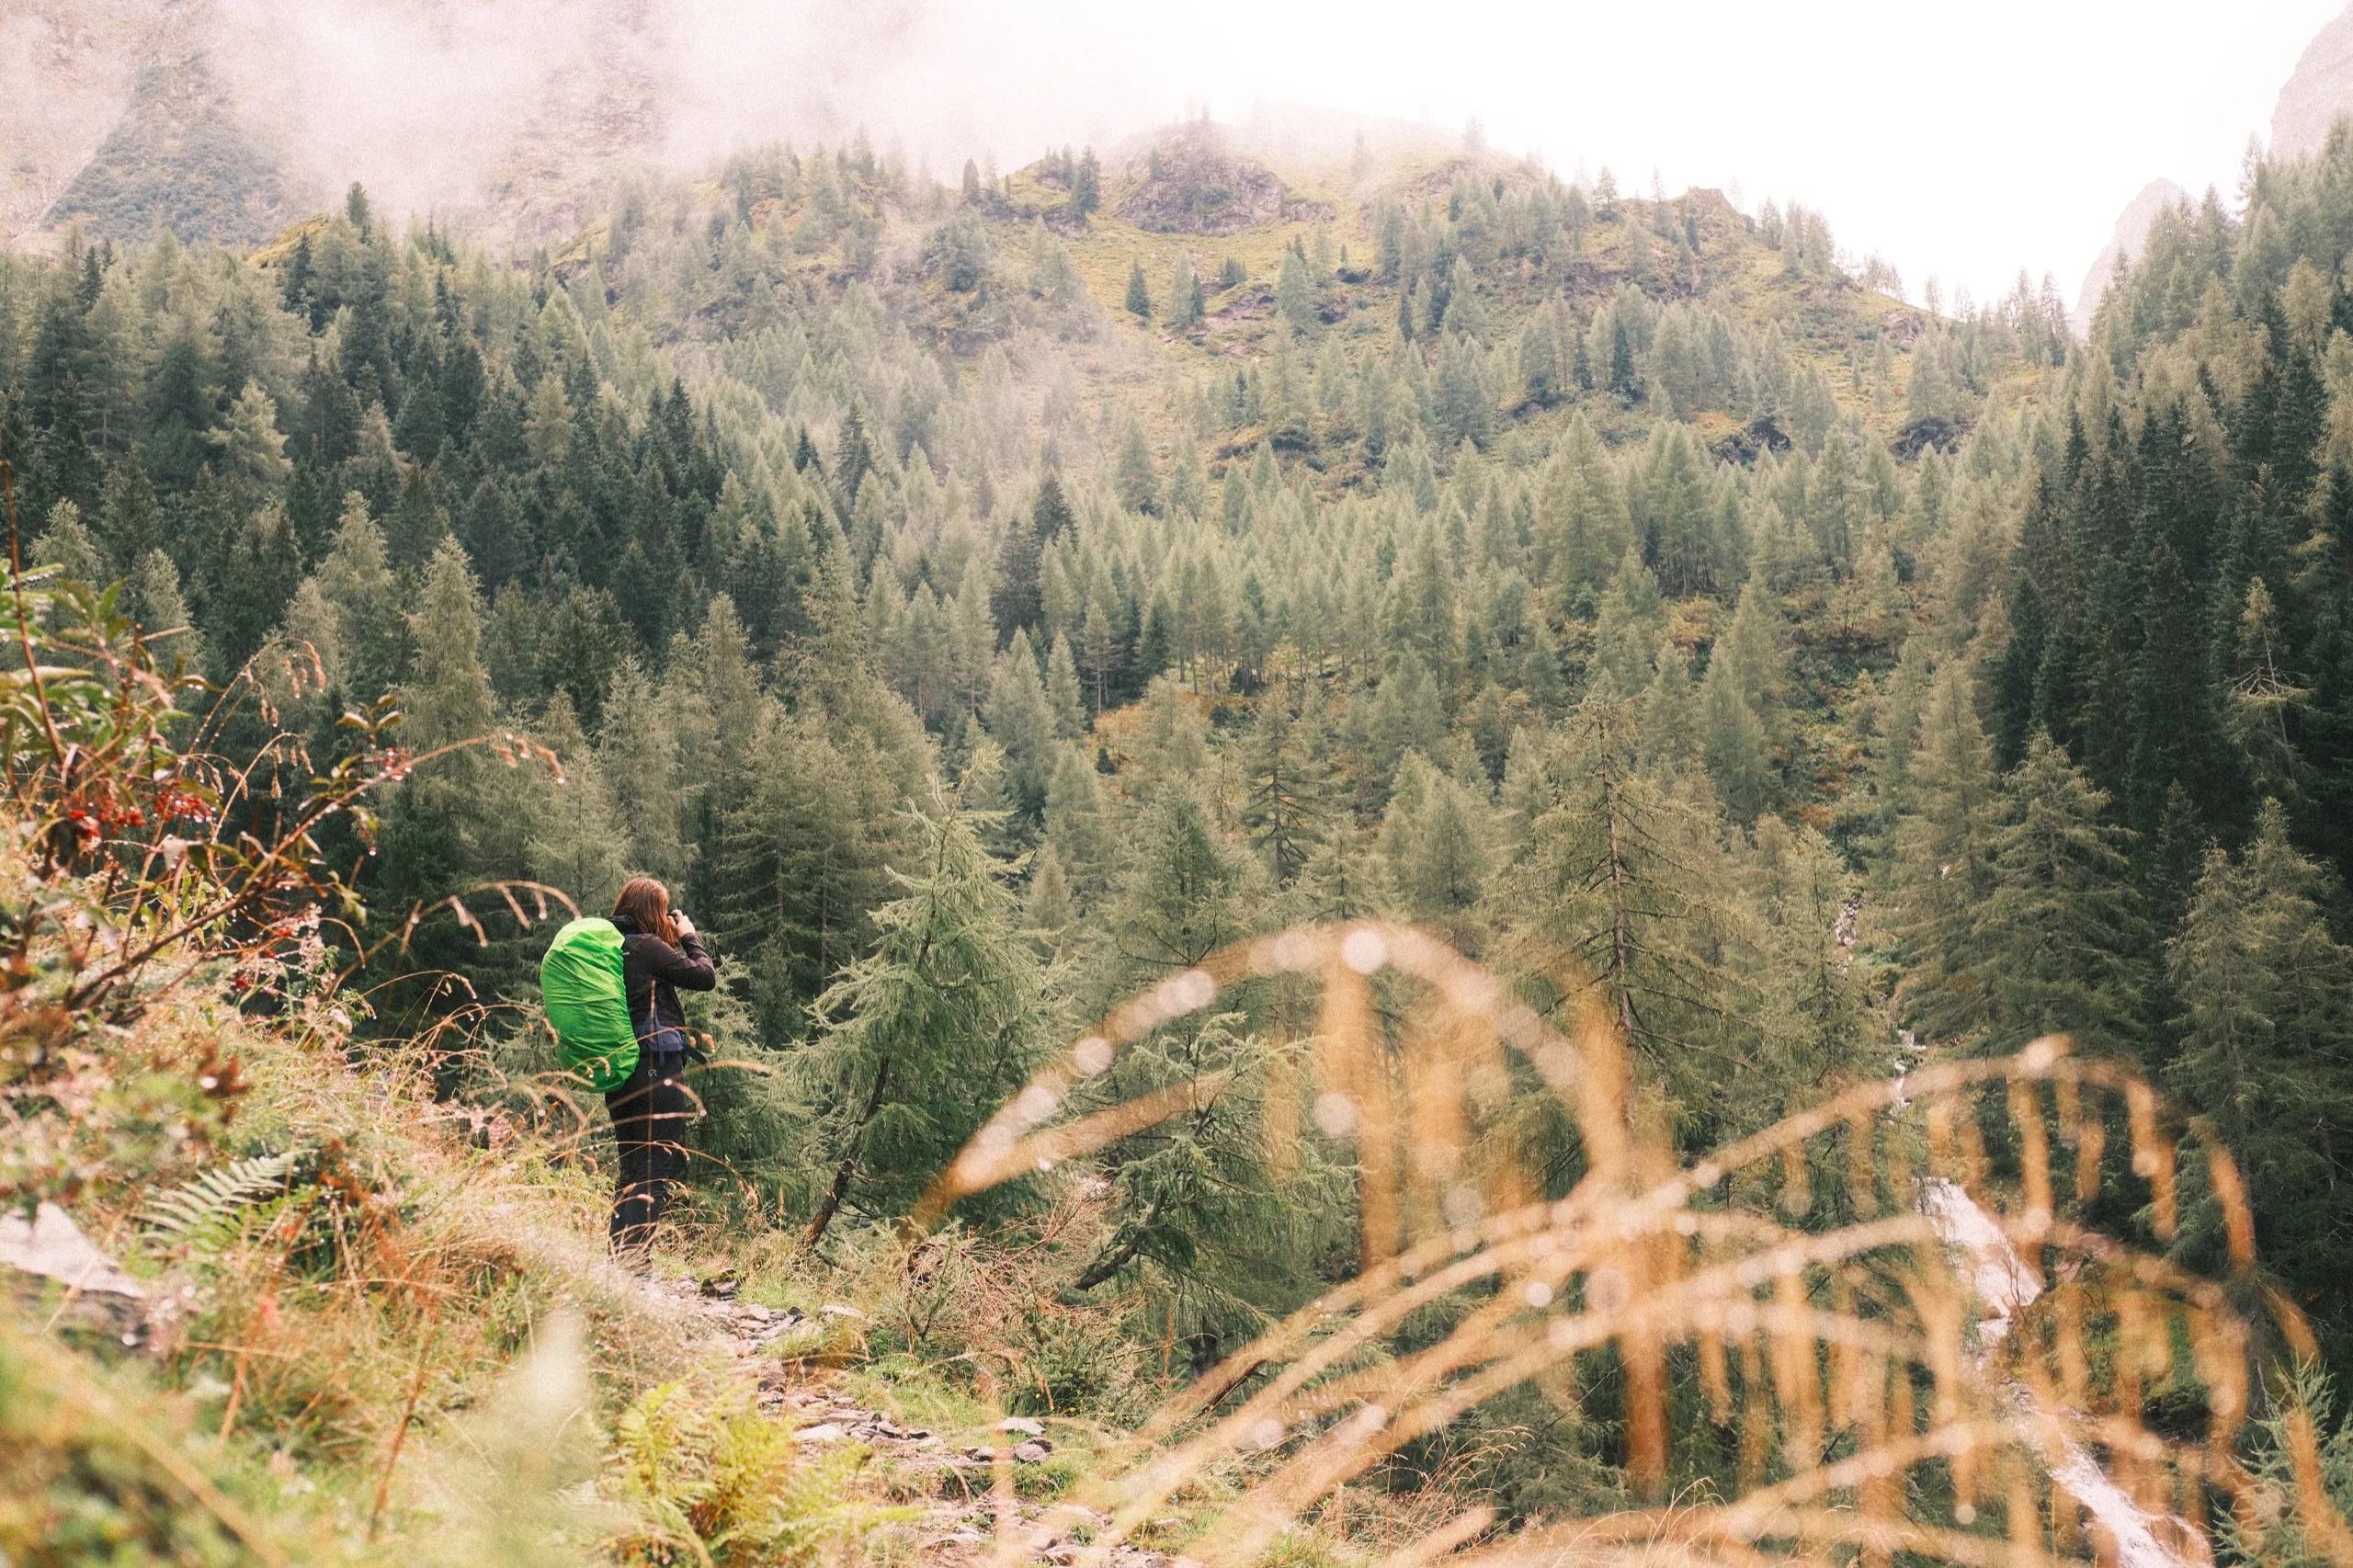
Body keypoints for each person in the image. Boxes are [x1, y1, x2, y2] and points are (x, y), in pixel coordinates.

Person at [605, 876, 717, 1256]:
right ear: (652, 913)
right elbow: (704, 976)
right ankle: (634, 1269)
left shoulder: (609, 948)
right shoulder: (647, 947)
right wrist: (688, 935)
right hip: (657, 1067)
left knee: (632, 1168)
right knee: (652, 1170)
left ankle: (619, 1262)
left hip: (620, 1072)